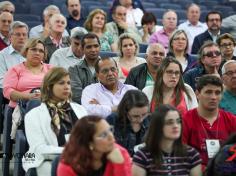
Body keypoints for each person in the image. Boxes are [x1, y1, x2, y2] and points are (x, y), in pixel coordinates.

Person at [22, 67, 87, 175]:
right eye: (61, 83)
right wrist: (70, 151)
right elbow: (39, 148)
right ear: (48, 87)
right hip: (47, 161)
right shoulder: (33, 115)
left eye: (68, 83)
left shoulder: (80, 110)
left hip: (82, 159)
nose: (67, 87)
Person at [183, 75, 236, 169]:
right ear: (197, 94)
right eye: (208, 92)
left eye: (217, 93)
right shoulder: (185, 120)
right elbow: (181, 155)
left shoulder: (232, 120)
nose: (213, 97)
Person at [132, 104, 202, 176]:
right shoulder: (142, 156)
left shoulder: (191, 154)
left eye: (178, 121)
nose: (175, 126)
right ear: (158, 126)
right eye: (169, 122)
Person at [57, 115, 132, 176]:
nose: (111, 136)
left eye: (110, 130)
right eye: (103, 135)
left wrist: (119, 165)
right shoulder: (69, 165)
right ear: (89, 143)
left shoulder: (120, 153)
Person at [3, 38, 52, 109]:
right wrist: (28, 96)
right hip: (20, 109)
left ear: (44, 55)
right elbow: (7, 91)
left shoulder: (50, 69)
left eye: (41, 51)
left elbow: (58, 88)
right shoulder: (15, 70)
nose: (37, 53)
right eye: (34, 49)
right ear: (26, 51)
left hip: (46, 105)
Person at [106, 90, 149, 156]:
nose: (141, 120)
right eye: (135, 116)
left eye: (144, 114)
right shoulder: (112, 120)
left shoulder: (149, 120)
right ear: (125, 111)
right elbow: (105, 148)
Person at [69, 33, 100, 104]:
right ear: (82, 49)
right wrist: (94, 103)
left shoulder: (108, 67)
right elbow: (76, 95)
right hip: (82, 109)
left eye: (96, 46)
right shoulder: (74, 69)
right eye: (89, 47)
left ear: (100, 47)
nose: (93, 50)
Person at [0, 21, 28, 89]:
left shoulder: (33, 53)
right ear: (10, 37)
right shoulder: (2, 55)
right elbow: (1, 81)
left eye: (24, 34)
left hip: (32, 90)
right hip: (11, 93)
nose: (21, 37)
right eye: (18, 34)